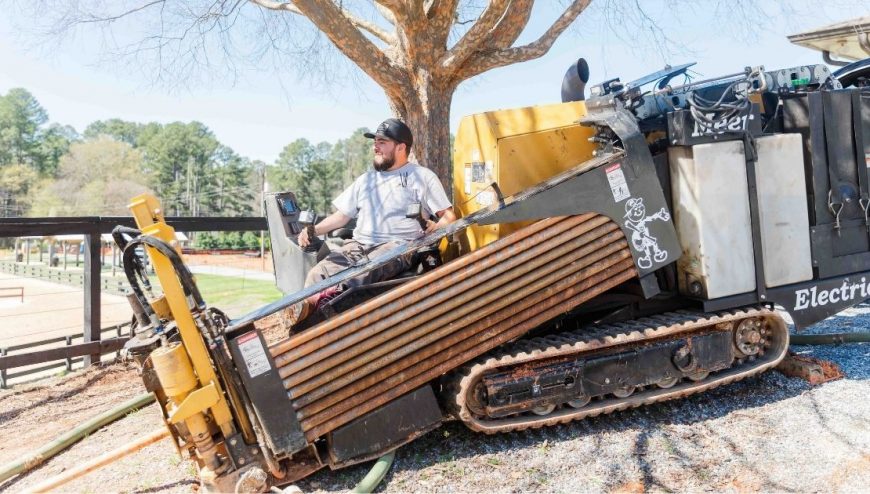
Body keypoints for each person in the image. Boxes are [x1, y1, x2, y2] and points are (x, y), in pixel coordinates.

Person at [286, 118, 456, 327]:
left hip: (399, 246)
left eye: (382, 142)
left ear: (401, 147)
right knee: (317, 274)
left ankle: (319, 318)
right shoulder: (366, 180)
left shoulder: (421, 177)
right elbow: (341, 216)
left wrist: (434, 228)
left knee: (359, 274)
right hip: (357, 245)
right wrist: (313, 231)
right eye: (375, 141)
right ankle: (307, 327)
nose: (375, 146)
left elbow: (449, 217)